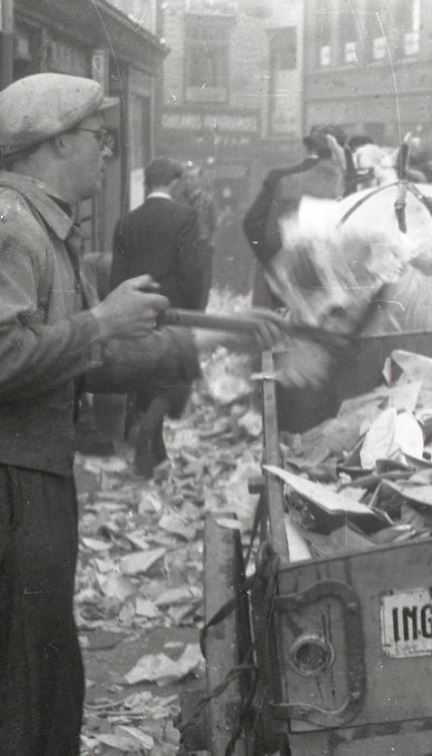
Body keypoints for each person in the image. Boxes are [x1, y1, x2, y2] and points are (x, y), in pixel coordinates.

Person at [0, 72, 279, 755]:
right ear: (54, 143)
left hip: (36, 474)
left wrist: (209, 338)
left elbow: (78, 360)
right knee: (23, 673)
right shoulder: (11, 228)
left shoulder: (44, 227)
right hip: (11, 481)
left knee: (46, 668)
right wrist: (102, 320)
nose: (107, 152)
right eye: (98, 137)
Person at [110, 157, 213, 476]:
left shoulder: (126, 221)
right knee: (176, 378)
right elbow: (192, 271)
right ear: (172, 183)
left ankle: (152, 450)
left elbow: (117, 277)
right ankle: (146, 433)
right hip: (174, 312)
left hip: (137, 312)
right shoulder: (186, 217)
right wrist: (195, 312)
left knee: (144, 378)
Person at [243, 127, 345, 307]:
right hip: (330, 285)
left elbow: (252, 222)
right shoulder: (346, 184)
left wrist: (273, 263)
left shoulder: (281, 178)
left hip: (281, 280)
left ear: (308, 147)